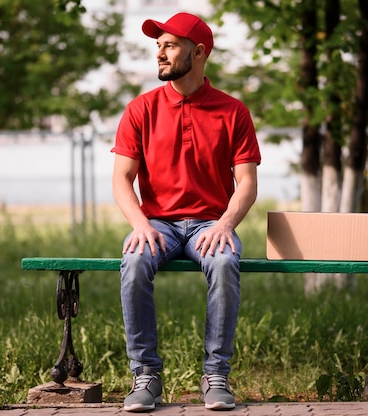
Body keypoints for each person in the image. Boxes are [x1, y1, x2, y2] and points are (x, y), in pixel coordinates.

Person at [110, 11, 261, 412]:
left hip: (211, 224)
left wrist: (227, 224)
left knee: (226, 262)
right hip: (157, 223)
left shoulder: (233, 112)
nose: (159, 53)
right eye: (157, 45)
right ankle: (146, 376)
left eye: (169, 45)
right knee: (135, 259)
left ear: (198, 53)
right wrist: (140, 225)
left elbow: (246, 183)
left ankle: (216, 375)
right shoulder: (140, 109)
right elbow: (122, 179)